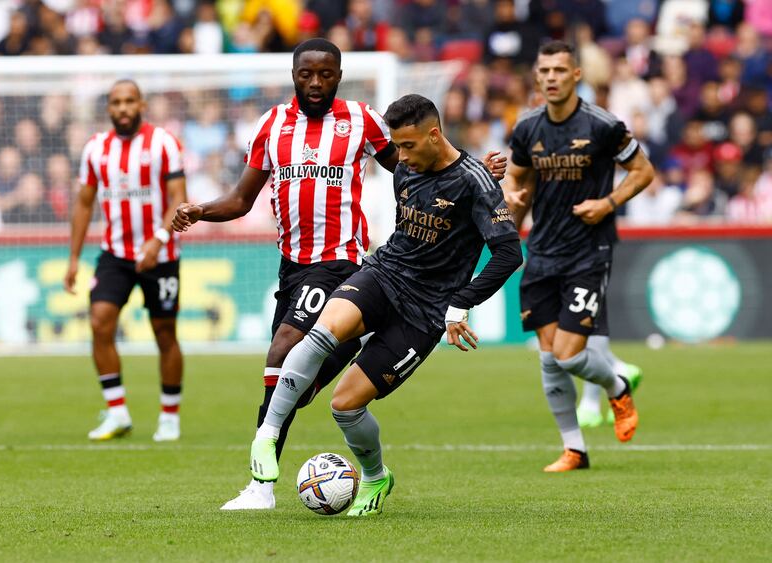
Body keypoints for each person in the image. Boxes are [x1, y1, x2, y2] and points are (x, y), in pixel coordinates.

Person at [172, 38, 505, 510]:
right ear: (293, 75)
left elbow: (418, 159)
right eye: (306, 74)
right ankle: (340, 355)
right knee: (296, 384)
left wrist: (476, 171)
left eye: (325, 74)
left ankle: (260, 483)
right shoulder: (270, 126)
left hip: (342, 261)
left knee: (285, 346)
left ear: (339, 75)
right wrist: (199, 210)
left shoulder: (363, 121)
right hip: (292, 266)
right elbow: (241, 200)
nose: (315, 82)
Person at [248, 93, 523, 516]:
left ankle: (375, 477)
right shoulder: (406, 170)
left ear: (435, 134)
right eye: (396, 146)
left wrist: (460, 304)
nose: (401, 157)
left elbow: (508, 254)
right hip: (385, 273)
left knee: (345, 404)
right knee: (323, 329)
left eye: (409, 146)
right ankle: (266, 435)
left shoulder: (477, 183)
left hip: (426, 310)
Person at [503, 41, 654, 472]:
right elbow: (516, 177)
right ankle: (575, 449)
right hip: (543, 251)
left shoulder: (603, 125)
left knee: (568, 354)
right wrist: (511, 201)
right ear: (537, 77)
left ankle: (617, 385)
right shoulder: (527, 126)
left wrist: (607, 204)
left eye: (559, 70)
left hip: (589, 251)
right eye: (544, 70)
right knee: (549, 358)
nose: (550, 77)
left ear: (576, 76)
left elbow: (643, 171)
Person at [64, 80, 187, 443]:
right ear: (109, 108)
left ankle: (169, 415)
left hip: (161, 255)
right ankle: (117, 411)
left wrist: (159, 239)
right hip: (115, 254)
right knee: (100, 322)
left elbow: (178, 198)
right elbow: (84, 203)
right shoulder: (96, 149)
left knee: (165, 333)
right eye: (116, 102)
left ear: (142, 104)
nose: (123, 108)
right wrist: (73, 258)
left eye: (129, 101)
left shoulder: (164, 143)